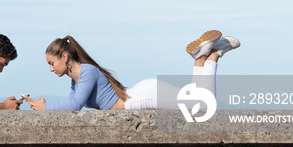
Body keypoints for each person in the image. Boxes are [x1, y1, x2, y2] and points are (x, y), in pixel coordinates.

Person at [23, 30, 240, 111]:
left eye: (51, 63)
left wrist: (46, 107)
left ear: (64, 56)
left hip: (141, 98)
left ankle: (208, 56)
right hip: (140, 94)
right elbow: (71, 106)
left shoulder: (87, 72)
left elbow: (74, 106)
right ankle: (210, 55)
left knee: (203, 107)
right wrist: (42, 107)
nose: (50, 69)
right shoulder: (76, 80)